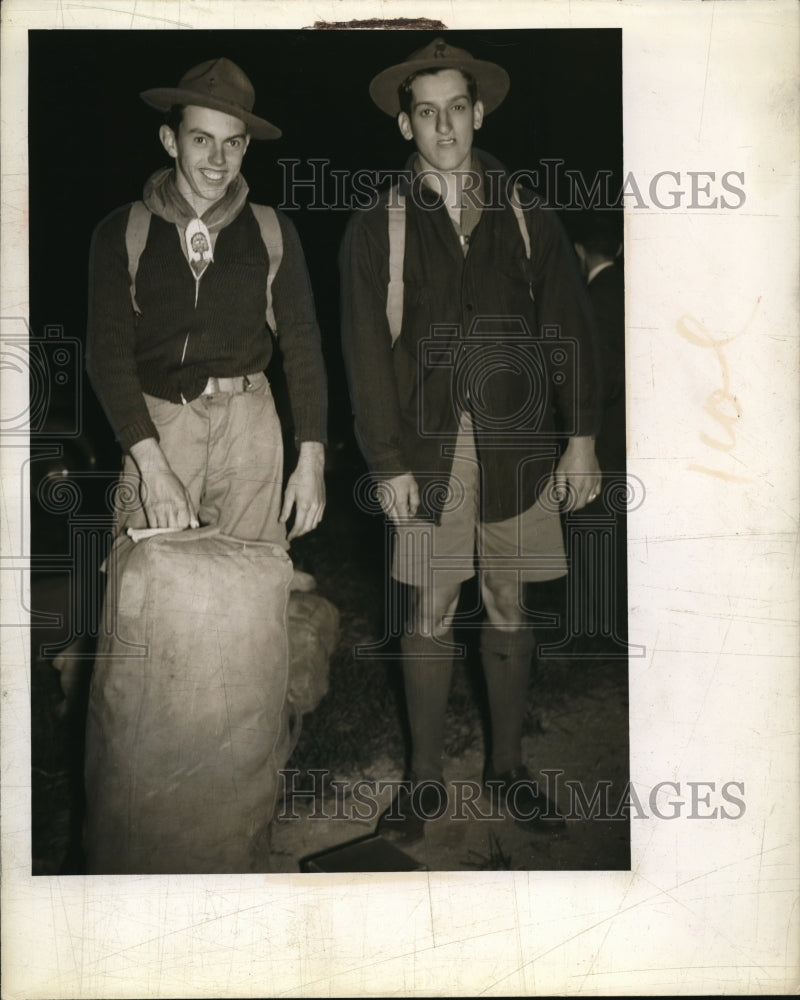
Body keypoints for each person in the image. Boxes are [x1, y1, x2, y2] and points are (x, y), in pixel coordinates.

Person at [340, 37, 602, 837]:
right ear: (405, 125)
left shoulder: (528, 214)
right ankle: (423, 782)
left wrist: (582, 437)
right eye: (427, 112)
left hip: (519, 450)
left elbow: (571, 330)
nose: (445, 126)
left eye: (458, 108)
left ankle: (508, 770)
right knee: (429, 606)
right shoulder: (376, 225)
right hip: (425, 453)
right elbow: (362, 354)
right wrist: (385, 463)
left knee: (510, 602)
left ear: (478, 112)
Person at [87, 57, 327, 546]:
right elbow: (106, 356)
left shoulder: (272, 230)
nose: (218, 160)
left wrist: (312, 458)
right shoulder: (121, 231)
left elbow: (303, 347)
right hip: (158, 426)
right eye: (201, 139)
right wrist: (151, 467)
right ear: (170, 140)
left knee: (249, 591)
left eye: (232, 143)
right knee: (147, 599)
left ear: (245, 146)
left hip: (251, 429)